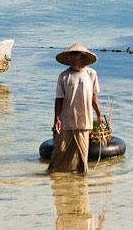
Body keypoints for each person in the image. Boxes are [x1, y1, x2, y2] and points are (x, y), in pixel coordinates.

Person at [49, 43, 103, 175]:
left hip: (84, 120)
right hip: (66, 119)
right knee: (60, 151)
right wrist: (57, 118)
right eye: (70, 57)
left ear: (82, 57)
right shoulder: (64, 76)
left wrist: (99, 115)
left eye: (75, 56)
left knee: (82, 153)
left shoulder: (91, 74)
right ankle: (56, 177)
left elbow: (93, 96)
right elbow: (59, 98)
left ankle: (79, 181)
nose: (72, 60)